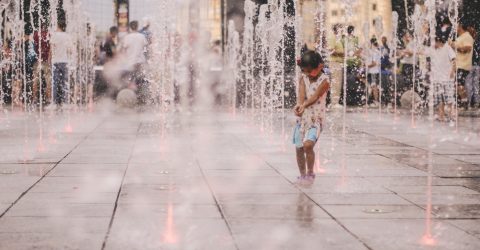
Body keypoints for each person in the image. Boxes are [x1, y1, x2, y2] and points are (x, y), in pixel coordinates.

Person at [293, 50, 330, 185]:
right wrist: (299, 106)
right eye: (305, 71)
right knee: (299, 147)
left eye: (309, 71)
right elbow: (301, 94)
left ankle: (310, 172)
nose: (307, 74)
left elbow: (314, 97)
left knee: (308, 145)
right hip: (302, 118)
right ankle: (302, 175)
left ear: (319, 67)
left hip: (316, 119)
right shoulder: (303, 77)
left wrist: (304, 105)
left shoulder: (325, 80)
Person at [119, 21, 148, 105]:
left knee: (130, 81)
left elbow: (123, 50)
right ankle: (141, 99)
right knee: (141, 81)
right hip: (140, 62)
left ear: (130, 27)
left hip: (130, 62)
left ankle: (130, 99)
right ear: (137, 26)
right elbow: (146, 48)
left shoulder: (127, 37)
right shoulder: (142, 36)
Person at [428, 36, 456, 123]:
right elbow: (422, 52)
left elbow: (454, 59)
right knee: (440, 99)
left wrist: (452, 71)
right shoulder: (434, 50)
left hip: (447, 78)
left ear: (438, 41)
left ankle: (451, 115)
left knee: (449, 98)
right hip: (437, 78)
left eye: (433, 43)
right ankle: (441, 116)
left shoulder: (447, 47)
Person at [451, 22, 474, 109]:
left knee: (458, 84)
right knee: (457, 84)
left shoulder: (467, 36)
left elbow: (468, 48)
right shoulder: (461, 37)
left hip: (463, 65)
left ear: (460, 26)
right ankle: (462, 102)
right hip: (458, 65)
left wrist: (455, 46)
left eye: (455, 26)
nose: (454, 28)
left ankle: (464, 101)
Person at [50, 22, 72, 108]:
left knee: (55, 82)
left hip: (56, 61)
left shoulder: (55, 35)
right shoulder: (67, 36)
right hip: (65, 61)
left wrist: (50, 59)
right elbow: (70, 50)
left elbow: (52, 49)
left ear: (58, 26)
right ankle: (65, 103)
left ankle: (54, 103)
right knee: (65, 82)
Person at [328, 24, 344, 108]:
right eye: (340, 29)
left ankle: (336, 101)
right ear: (336, 30)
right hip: (334, 63)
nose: (342, 30)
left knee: (338, 82)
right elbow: (330, 50)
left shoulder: (337, 39)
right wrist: (342, 54)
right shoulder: (333, 38)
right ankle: (334, 102)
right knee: (335, 82)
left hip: (338, 63)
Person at [465, 29, 480, 109]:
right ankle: (475, 102)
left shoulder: (469, 42)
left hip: (471, 65)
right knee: (475, 84)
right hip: (476, 65)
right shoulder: (477, 43)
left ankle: (470, 102)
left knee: (469, 83)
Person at [367, 38, 381, 107]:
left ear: (372, 43)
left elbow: (374, 63)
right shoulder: (377, 51)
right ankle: (371, 101)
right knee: (372, 86)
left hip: (373, 71)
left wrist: (366, 66)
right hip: (375, 71)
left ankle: (376, 101)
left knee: (374, 87)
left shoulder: (375, 52)